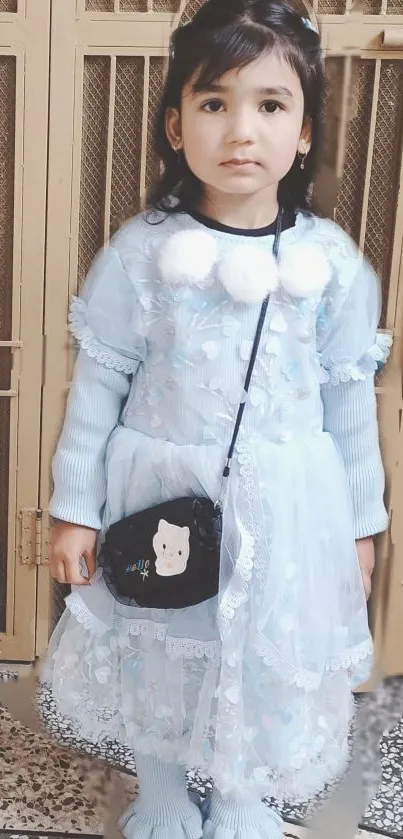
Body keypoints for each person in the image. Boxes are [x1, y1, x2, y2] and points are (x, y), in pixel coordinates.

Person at [39, 1, 392, 837]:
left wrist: (359, 527)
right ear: (174, 124)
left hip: (289, 510)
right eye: (213, 102)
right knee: (158, 643)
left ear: (304, 132)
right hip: (158, 491)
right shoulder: (139, 251)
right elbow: (98, 384)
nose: (242, 129)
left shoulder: (333, 266)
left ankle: (239, 792)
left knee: (265, 658)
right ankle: (161, 789)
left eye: (270, 105)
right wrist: (73, 507)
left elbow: (348, 405)